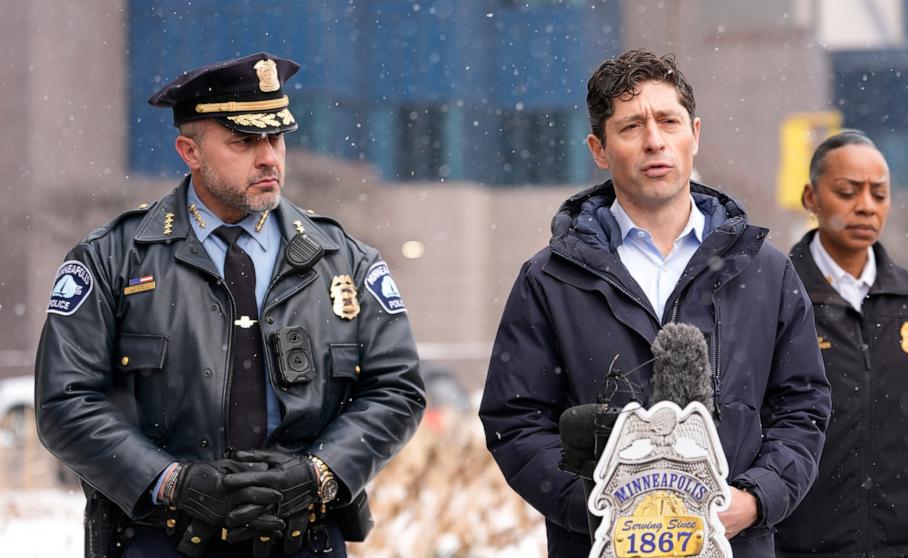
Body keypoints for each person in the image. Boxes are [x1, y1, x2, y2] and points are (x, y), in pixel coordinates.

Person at [35, 52, 425, 557]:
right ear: (189, 151)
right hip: (161, 538)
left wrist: (316, 475)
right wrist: (173, 482)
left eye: (276, 138)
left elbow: (397, 389)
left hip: (303, 538)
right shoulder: (112, 258)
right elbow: (64, 402)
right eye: (243, 142)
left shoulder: (344, 259)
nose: (269, 158)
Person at [478, 49, 832, 558]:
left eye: (669, 121)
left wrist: (755, 498)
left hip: (734, 544)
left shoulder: (765, 270)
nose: (655, 141)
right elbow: (516, 422)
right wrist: (603, 508)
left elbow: (803, 405)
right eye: (631, 127)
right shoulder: (550, 279)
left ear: (695, 134)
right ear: (599, 149)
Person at [775, 131, 908, 558]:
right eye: (847, 192)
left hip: (904, 543)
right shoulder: (775, 295)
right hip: (801, 544)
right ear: (811, 197)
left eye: (880, 194)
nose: (866, 206)